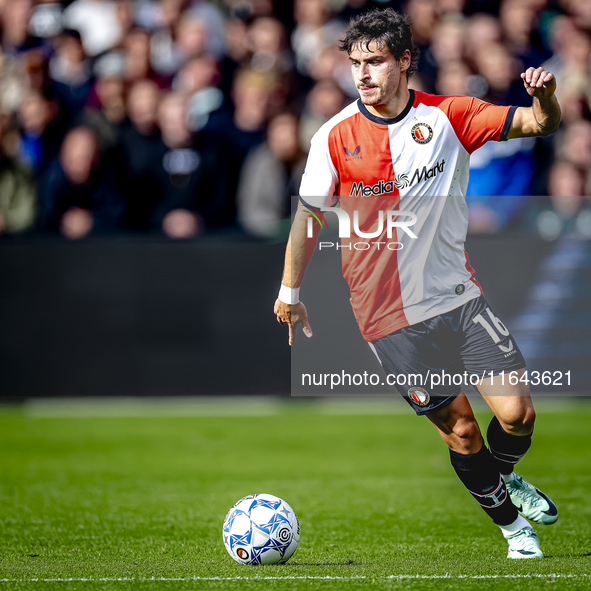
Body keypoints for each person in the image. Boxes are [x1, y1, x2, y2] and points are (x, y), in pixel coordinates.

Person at [274, 8, 561, 560]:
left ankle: (501, 483)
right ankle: (510, 526)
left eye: (375, 62)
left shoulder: (451, 116)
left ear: (405, 61)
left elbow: (539, 124)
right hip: (389, 317)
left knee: (518, 415)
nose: (362, 75)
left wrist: (545, 96)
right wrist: (290, 292)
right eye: (355, 64)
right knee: (462, 432)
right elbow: (307, 220)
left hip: (458, 295)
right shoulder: (333, 137)